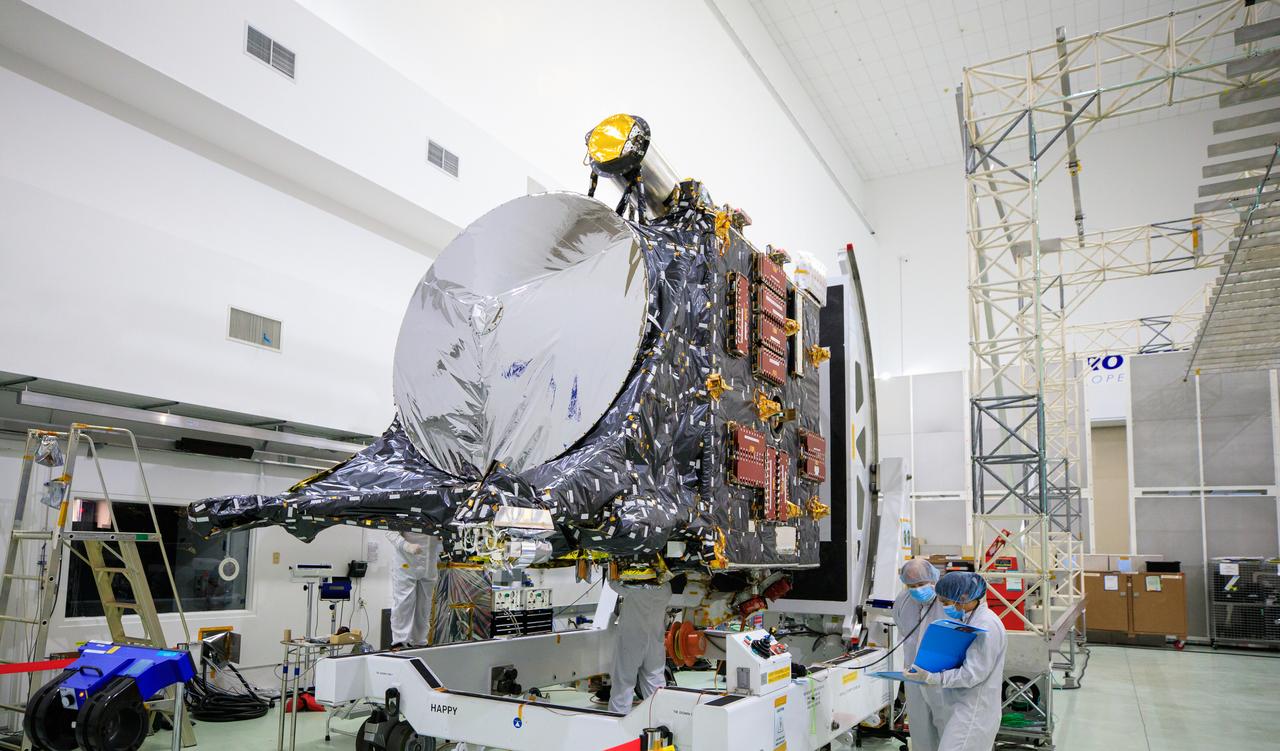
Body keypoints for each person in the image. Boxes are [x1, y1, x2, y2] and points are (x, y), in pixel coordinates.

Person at [904, 571, 1008, 751]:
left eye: (946, 602)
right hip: (961, 707)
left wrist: (932, 677)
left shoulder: (986, 624)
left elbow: (972, 674)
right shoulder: (971, 619)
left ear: (964, 597)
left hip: (974, 712)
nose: (944, 607)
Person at [892, 558, 945, 751]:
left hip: (941, 675)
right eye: (912, 585)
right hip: (913, 673)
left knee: (945, 724)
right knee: (919, 726)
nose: (917, 589)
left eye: (921, 584)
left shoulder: (945, 601)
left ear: (933, 580)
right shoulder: (903, 600)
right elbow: (903, 630)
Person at [606, 578, 672, 714]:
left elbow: (612, 582)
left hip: (631, 642)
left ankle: (618, 721)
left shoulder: (634, 590)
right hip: (654, 643)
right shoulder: (666, 589)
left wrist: (611, 568)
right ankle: (658, 721)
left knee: (624, 683)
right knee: (655, 682)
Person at [387, 531, 442, 648]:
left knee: (424, 606)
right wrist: (406, 546)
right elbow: (390, 532)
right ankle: (400, 641)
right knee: (403, 602)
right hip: (406, 562)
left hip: (429, 563)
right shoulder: (405, 513)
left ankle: (420, 641)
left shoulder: (439, 513)